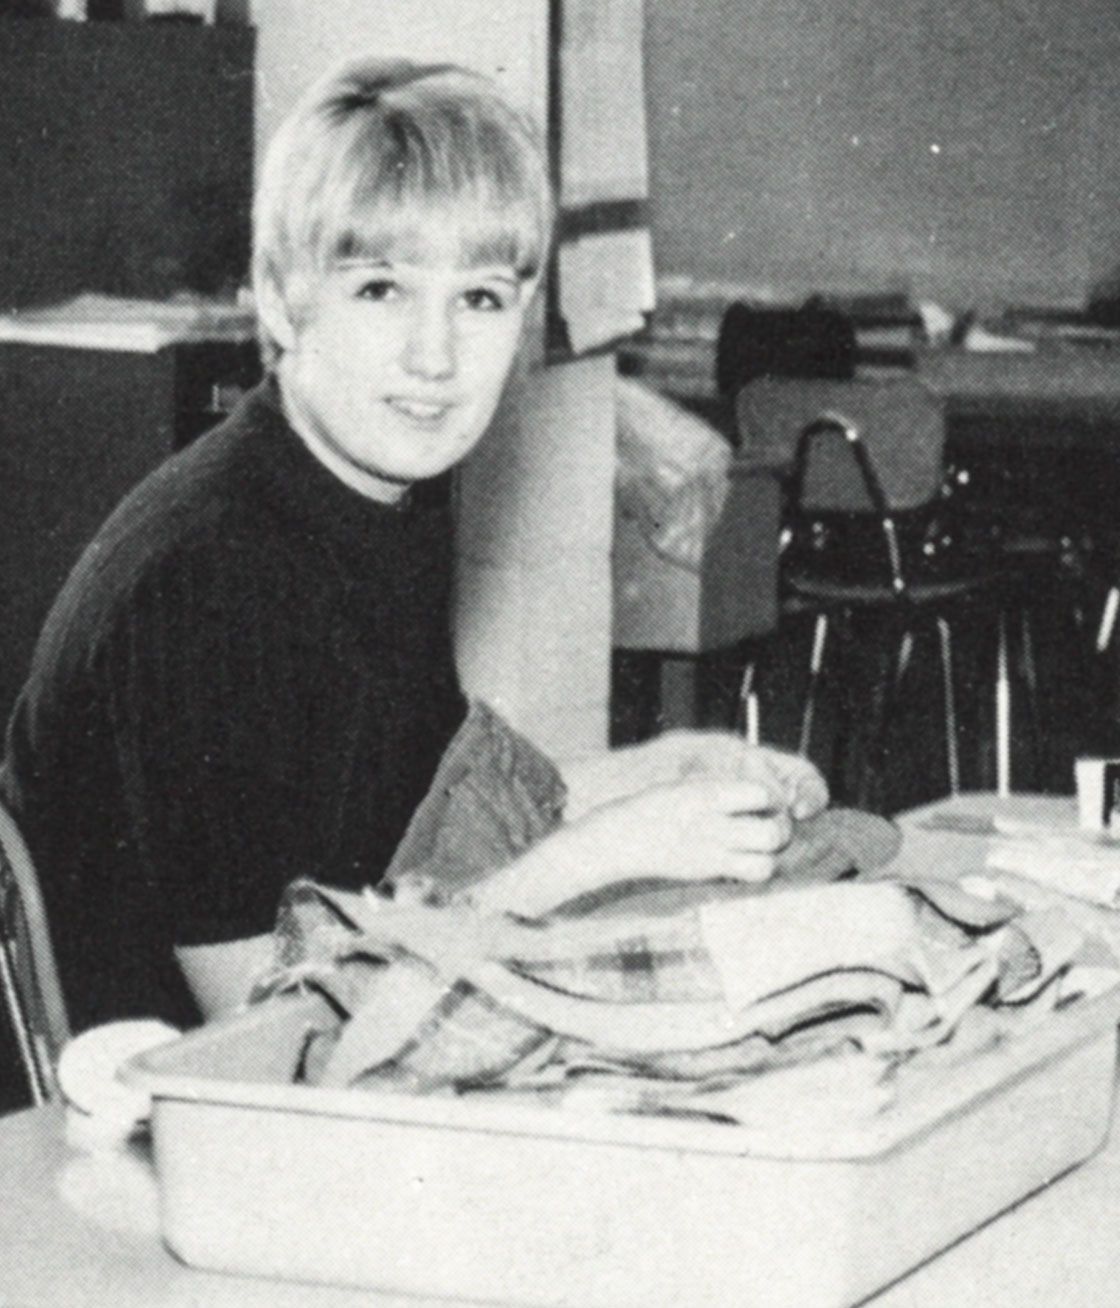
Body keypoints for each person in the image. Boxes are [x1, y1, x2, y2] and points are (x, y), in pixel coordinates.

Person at [0, 56, 827, 1036]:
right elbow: (276, 1011)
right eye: (381, 289)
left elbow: (425, 822)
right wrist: (597, 855)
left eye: (479, 299)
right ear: (281, 300)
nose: (434, 358)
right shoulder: (213, 576)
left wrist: (658, 775)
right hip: (173, 1093)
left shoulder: (375, 495)